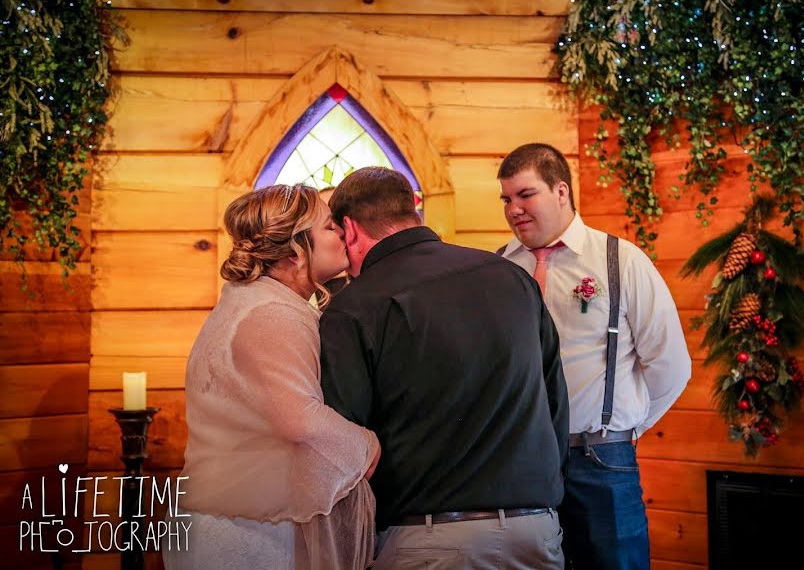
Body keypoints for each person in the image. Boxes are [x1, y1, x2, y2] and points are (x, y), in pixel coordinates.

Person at [319, 167, 570, 569]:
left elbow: (342, 437)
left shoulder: (356, 306)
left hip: (430, 538)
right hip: (536, 531)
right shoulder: (512, 277)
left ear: (349, 229)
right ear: (412, 211)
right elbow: (555, 400)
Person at [164, 184, 380, 570]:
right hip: (248, 531)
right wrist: (366, 446)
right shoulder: (270, 314)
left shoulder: (255, 301)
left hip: (237, 514)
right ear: (296, 249)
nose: (343, 236)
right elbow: (298, 419)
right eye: (330, 227)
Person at [496, 143, 691, 570]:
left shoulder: (620, 261)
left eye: (525, 195)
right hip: (520, 464)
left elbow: (670, 365)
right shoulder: (499, 269)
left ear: (561, 191)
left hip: (600, 460)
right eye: (506, 199)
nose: (514, 210)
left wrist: (619, 428)